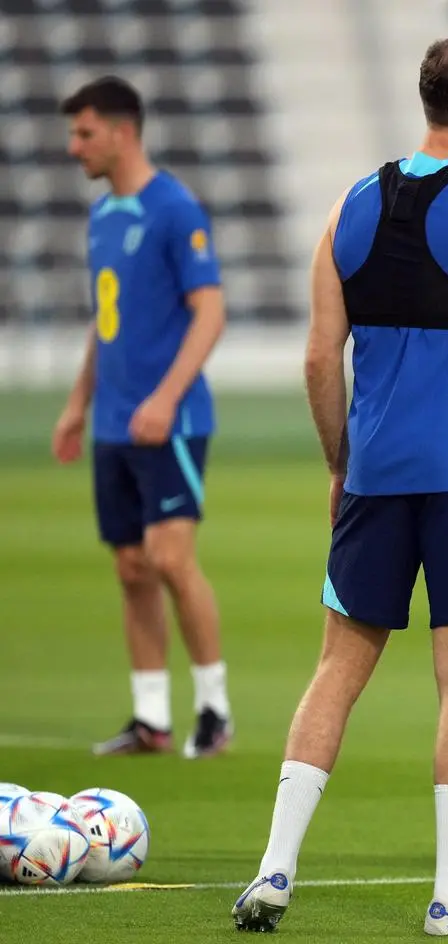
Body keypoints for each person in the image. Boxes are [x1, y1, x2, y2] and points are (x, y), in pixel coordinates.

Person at [231, 27, 448, 936]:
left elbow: (320, 356)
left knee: (335, 673)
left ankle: (273, 870)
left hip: (377, 475)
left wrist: (342, 465)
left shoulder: (349, 204)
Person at [53, 76, 234, 760]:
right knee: (131, 567)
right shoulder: (103, 215)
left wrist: (164, 398)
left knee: (169, 559)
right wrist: (78, 403)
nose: (75, 147)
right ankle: (152, 718)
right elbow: (108, 325)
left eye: (85, 133)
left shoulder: (174, 209)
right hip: (113, 425)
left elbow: (210, 313)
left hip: (172, 421)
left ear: (122, 132)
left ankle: (214, 709)